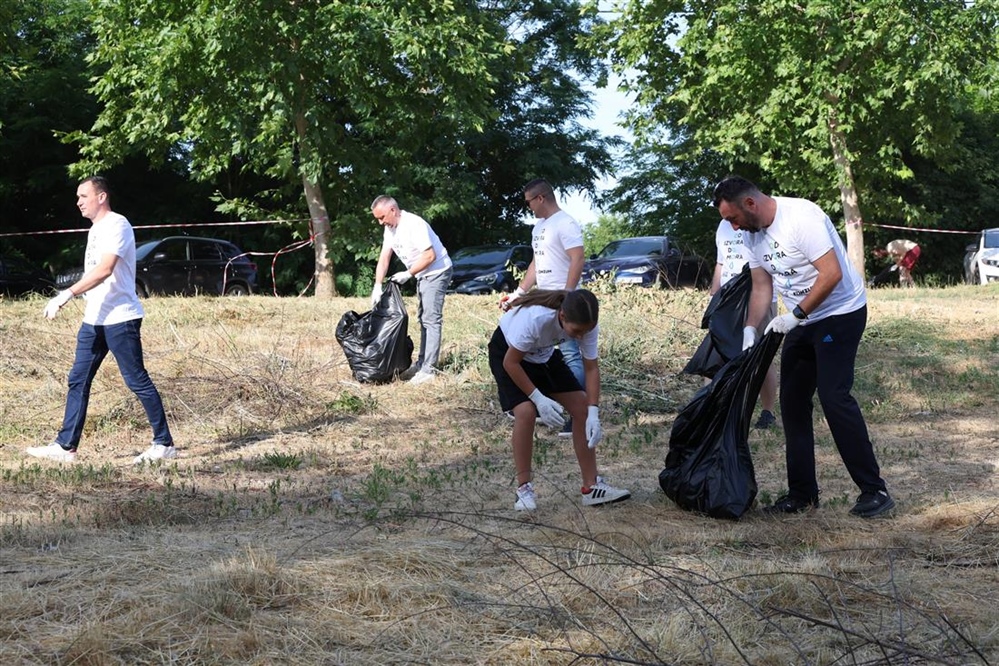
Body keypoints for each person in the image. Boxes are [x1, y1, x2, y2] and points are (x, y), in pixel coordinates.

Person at [712, 175, 895, 518]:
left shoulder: (801, 218)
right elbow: (762, 286)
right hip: (801, 320)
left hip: (839, 313)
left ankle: (875, 491)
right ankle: (802, 495)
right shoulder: (752, 235)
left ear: (750, 204)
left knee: (833, 396)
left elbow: (831, 273)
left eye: (732, 218)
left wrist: (795, 315)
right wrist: (751, 328)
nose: (733, 227)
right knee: (792, 401)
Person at [26, 176, 175, 464]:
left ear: (102, 197)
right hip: (94, 319)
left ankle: (163, 443)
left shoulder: (117, 224)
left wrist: (66, 294)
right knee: (78, 379)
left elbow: (105, 269)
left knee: (136, 380)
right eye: (78, 197)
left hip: (120, 318)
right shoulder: (95, 230)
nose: (78, 201)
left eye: (84, 195)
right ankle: (66, 446)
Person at [489, 288, 631, 511]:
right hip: (508, 354)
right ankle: (523, 490)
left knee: (581, 407)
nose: (581, 337)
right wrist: (539, 399)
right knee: (525, 411)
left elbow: (591, 368)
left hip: (543, 354)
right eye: (576, 332)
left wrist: (593, 412)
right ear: (562, 316)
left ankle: (591, 487)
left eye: (586, 331)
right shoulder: (536, 318)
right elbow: (511, 363)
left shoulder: (586, 324)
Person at [500, 178, 585, 437]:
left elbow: (577, 257)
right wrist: (519, 294)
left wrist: (568, 296)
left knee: (570, 353)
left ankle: (577, 415)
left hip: (562, 298)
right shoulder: (538, 228)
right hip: (543, 299)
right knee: (539, 349)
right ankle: (545, 405)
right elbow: (536, 264)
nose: (528, 208)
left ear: (540, 198)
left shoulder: (566, 223)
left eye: (528, 202)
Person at [370, 195, 453, 385]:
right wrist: (377, 285)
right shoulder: (390, 229)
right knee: (423, 317)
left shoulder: (414, 224)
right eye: (378, 219)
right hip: (422, 273)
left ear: (393, 210)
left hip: (437, 270)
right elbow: (384, 258)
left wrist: (408, 273)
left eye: (382, 217)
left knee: (431, 319)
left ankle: (429, 370)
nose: (381, 223)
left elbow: (430, 255)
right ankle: (423, 362)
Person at [710, 219, 780, 428]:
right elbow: (721, 262)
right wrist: (714, 294)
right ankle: (716, 410)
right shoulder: (723, 226)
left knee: (760, 355)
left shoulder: (756, 222)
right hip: (727, 299)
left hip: (758, 296)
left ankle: (767, 412)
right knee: (718, 353)